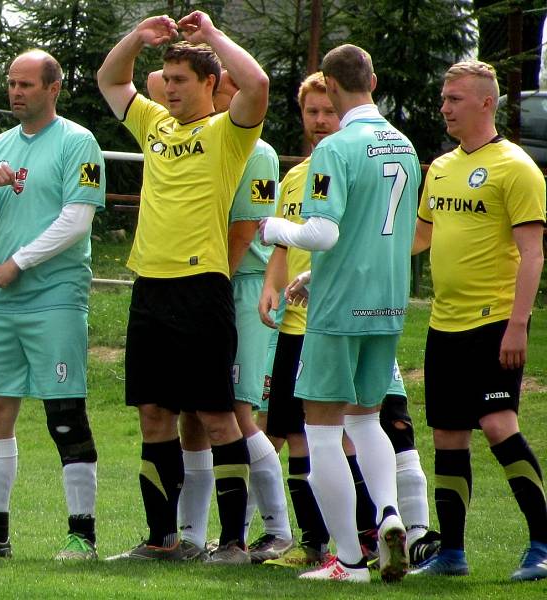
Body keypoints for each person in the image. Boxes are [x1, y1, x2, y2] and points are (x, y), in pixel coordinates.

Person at [98, 11, 269, 564]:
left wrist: (212, 36)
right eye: (166, 79)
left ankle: (235, 543)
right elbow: (111, 80)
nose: (169, 89)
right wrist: (137, 38)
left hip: (202, 289)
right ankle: (161, 539)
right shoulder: (154, 125)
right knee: (153, 412)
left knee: (217, 415)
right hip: (151, 285)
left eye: (180, 81)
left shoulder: (228, 134)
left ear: (210, 85)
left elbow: (259, 84)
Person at [259, 72, 439, 570]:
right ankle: (387, 514)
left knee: (319, 434)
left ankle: (349, 561)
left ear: (335, 85)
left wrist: (272, 227)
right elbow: (380, 234)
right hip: (387, 304)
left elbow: (323, 232)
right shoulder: (402, 144)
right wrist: (316, 275)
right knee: (365, 420)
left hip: (338, 311)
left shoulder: (336, 149)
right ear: (375, 80)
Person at [0, 49, 105, 561]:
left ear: (53, 88)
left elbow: (77, 222)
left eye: (27, 84)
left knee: (64, 413)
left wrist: (18, 263)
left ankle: (82, 537)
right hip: (4, 302)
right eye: (12, 83)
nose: (16, 92)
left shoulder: (79, 142)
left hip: (55, 297)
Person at [146, 68, 293, 563]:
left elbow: (245, 230)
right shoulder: (194, 133)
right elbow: (152, 80)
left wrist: (210, 288)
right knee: (189, 415)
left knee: (237, 410)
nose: (172, 92)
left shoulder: (257, 150)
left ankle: (275, 529)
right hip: (201, 287)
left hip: (237, 286)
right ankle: (191, 534)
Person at [409, 60, 547, 581]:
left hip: (494, 323)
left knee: (497, 424)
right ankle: (452, 554)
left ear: (486, 103)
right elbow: (420, 237)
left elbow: (532, 254)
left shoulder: (516, 168)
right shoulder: (440, 167)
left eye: (455, 99)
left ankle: (542, 542)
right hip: (445, 324)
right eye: (444, 97)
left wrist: (518, 324)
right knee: (447, 433)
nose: (444, 107)